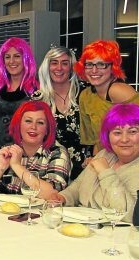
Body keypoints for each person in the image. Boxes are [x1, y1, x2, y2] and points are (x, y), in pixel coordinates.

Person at [53, 104, 139, 222]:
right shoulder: (106, 154)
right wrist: (63, 197)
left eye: (132, 131)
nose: (124, 139)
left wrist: (105, 173)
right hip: (84, 225)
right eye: (117, 132)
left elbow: (129, 215)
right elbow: (78, 186)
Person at [73, 40, 139, 154]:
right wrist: (95, 160)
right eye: (89, 64)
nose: (94, 70)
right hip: (109, 156)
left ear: (112, 67)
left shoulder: (118, 90)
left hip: (136, 154)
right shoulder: (85, 96)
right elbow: (97, 141)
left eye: (101, 64)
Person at [0, 101, 71, 198]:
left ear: (47, 129)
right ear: (19, 125)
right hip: (5, 210)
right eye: (28, 121)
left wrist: (17, 165)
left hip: (41, 212)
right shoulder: (8, 151)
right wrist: (2, 165)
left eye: (40, 123)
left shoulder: (57, 152)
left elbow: (52, 194)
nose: (33, 127)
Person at [0, 37, 37, 166]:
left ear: (26, 59)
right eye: (7, 57)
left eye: (17, 56)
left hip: (23, 155)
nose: (12, 61)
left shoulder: (36, 89)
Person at [35, 45, 90, 180]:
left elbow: (101, 127)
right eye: (54, 63)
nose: (59, 68)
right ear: (47, 67)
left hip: (87, 166)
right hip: (52, 168)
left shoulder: (86, 92)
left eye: (64, 63)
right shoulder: (38, 99)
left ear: (71, 67)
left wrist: (95, 156)